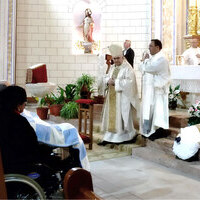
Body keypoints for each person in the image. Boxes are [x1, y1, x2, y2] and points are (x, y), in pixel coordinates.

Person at [0, 85, 81, 196]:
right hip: (19, 168)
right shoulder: (18, 121)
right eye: (24, 104)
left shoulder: (6, 117)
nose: (24, 108)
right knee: (63, 159)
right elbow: (32, 148)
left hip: (8, 164)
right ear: (18, 105)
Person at [98, 44, 140, 145]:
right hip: (112, 97)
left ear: (122, 57)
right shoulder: (113, 67)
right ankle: (109, 137)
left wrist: (115, 82)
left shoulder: (127, 68)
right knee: (111, 117)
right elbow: (107, 77)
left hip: (122, 98)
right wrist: (107, 81)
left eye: (118, 58)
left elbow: (130, 83)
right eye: (114, 58)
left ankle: (126, 136)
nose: (116, 60)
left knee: (121, 118)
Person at [139, 39, 170, 140]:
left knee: (158, 112)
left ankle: (160, 130)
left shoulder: (161, 59)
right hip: (150, 91)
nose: (149, 48)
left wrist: (144, 61)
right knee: (148, 111)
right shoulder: (153, 58)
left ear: (157, 47)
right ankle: (148, 130)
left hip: (158, 91)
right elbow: (141, 68)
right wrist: (144, 62)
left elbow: (149, 68)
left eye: (151, 46)